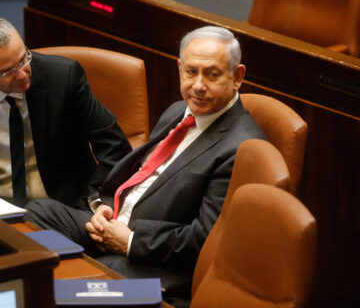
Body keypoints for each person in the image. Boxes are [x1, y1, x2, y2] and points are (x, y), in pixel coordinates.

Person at [25, 26, 266, 307]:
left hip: (158, 260)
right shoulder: (178, 111)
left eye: (212, 74)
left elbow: (204, 240)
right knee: (37, 214)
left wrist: (129, 242)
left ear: (237, 77)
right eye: (191, 72)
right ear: (179, 69)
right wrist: (105, 206)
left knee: (82, 288)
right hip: (116, 227)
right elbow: (140, 177)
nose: (198, 85)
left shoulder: (241, 148)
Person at [0, 18, 132, 208]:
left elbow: (116, 149)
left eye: (23, 59)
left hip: (62, 209)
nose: (22, 74)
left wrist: (95, 201)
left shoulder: (63, 77)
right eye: (8, 71)